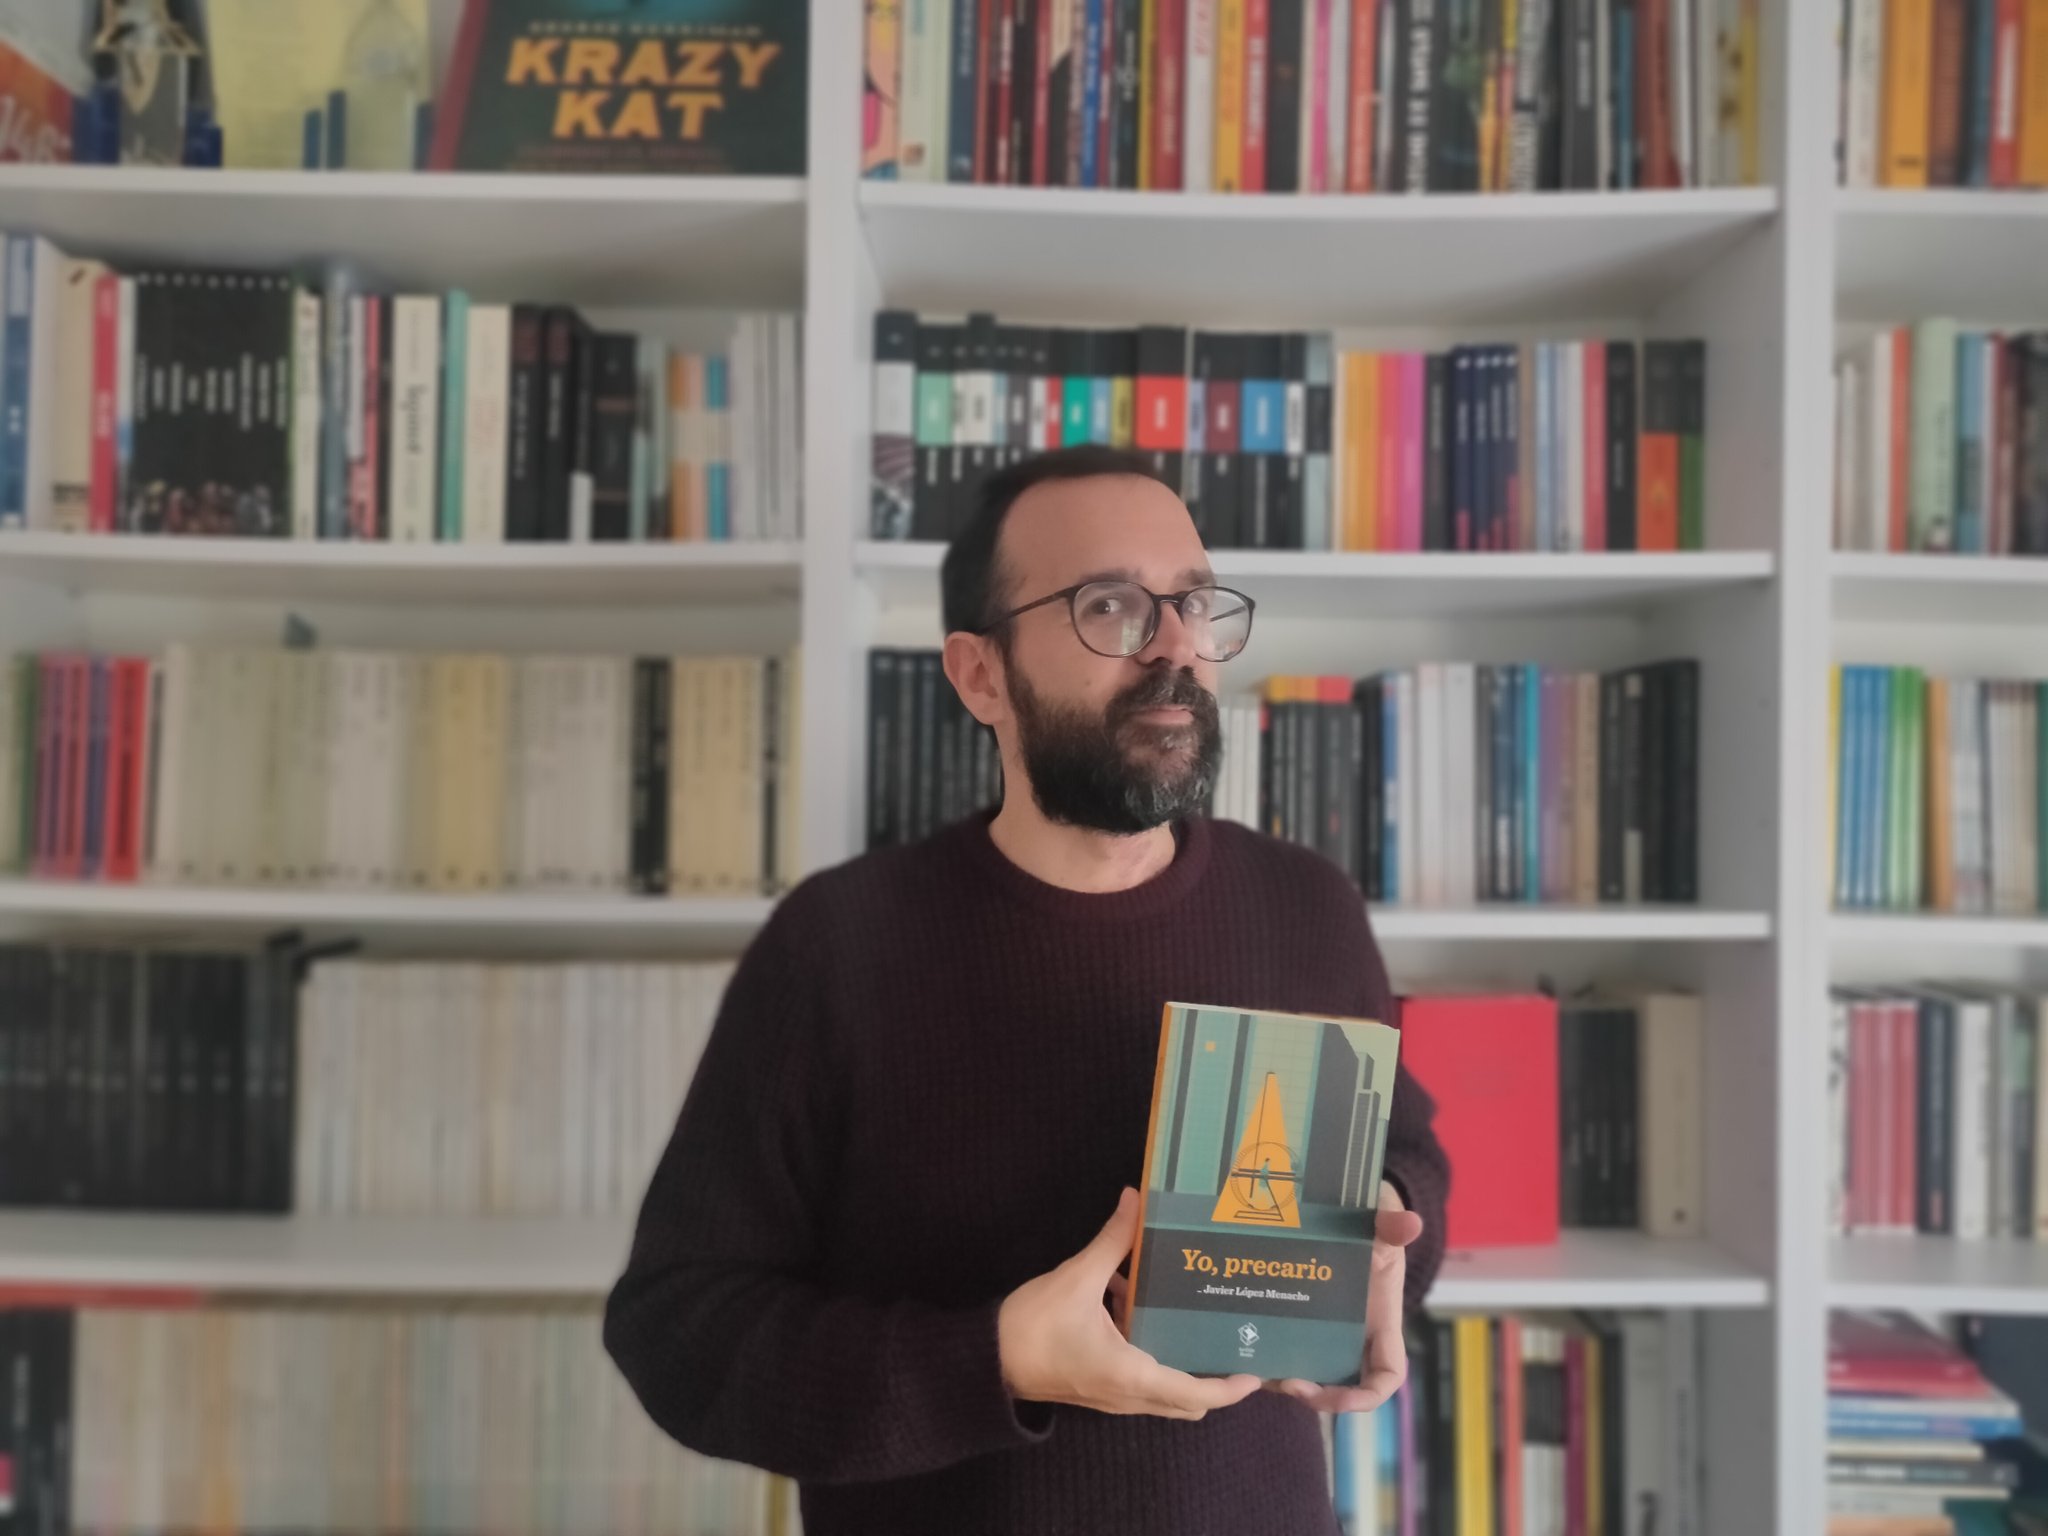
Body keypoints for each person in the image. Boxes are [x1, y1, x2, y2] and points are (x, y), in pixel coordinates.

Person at [604, 444, 1449, 1536]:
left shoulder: (1307, 906)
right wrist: (995, 1359)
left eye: (1194, 604)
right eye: (1110, 607)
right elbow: (681, 1333)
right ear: (980, 676)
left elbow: (1409, 1156)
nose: (1177, 647)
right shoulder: (837, 944)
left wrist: (1379, 1244)